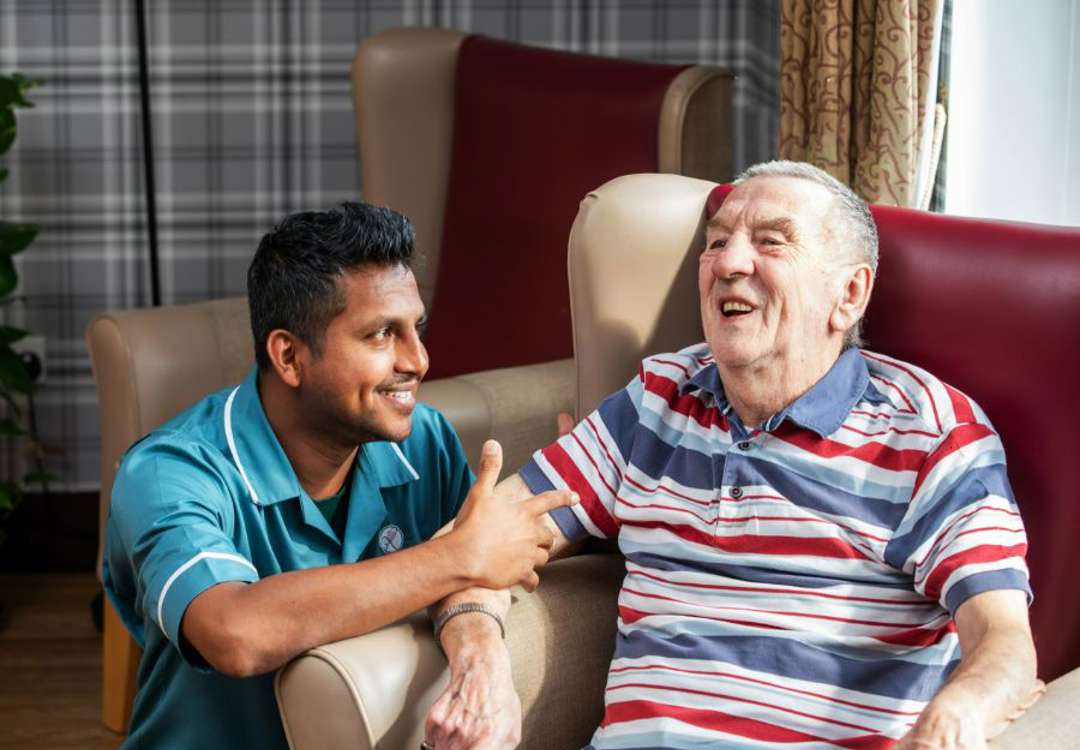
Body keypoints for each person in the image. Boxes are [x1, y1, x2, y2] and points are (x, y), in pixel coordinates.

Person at [425, 161, 1041, 750]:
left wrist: (958, 713)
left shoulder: (931, 432)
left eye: (771, 242)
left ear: (849, 294)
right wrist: (481, 662)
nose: (728, 263)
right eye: (716, 242)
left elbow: (1005, 641)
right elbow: (473, 545)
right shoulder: (655, 401)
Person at [102, 202, 576, 749]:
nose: (418, 360)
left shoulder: (425, 442)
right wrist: (458, 554)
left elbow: (473, 578)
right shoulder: (167, 472)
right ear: (289, 356)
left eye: (415, 329)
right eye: (381, 335)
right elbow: (234, 634)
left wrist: (481, 652)